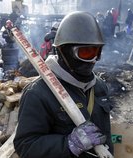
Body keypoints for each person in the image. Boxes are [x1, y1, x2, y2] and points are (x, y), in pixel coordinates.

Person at [14, 11, 114, 158]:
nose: (93, 60)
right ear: (63, 51)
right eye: (86, 52)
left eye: (97, 52)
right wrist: (68, 144)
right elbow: (25, 146)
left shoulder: (99, 87)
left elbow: (106, 134)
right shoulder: (38, 93)